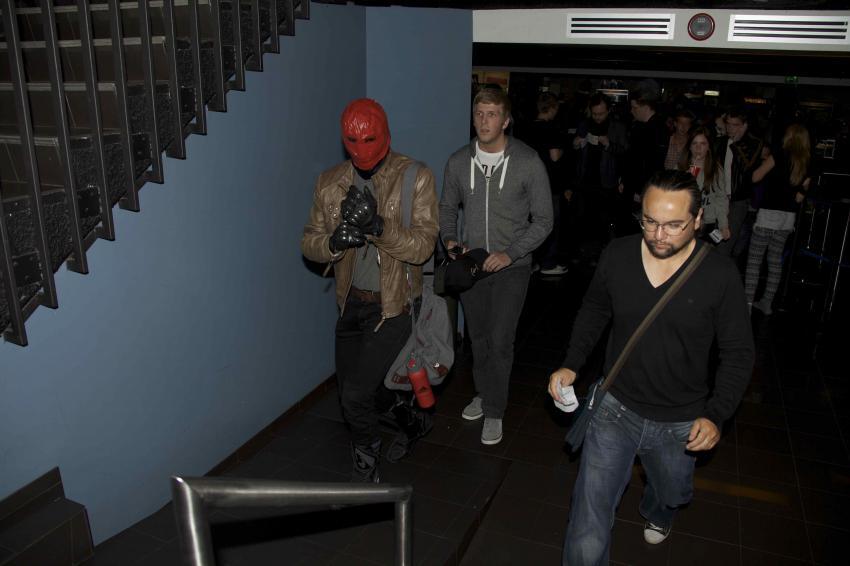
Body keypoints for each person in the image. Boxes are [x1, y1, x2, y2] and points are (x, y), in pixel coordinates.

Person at [549, 169, 754, 565]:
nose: (659, 235)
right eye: (650, 222)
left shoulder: (719, 275)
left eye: (674, 225)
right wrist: (572, 364)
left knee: (673, 493)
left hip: (680, 420)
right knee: (589, 517)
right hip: (615, 407)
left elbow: (738, 352)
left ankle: (659, 509)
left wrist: (716, 415)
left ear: (698, 219)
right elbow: (595, 309)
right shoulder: (618, 254)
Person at [301, 98, 439, 482]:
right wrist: (333, 243)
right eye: (352, 140)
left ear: (385, 134)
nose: (361, 148)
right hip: (350, 305)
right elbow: (309, 242)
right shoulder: (330, 183)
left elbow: (422, 247)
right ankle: (412, 421)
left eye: (369, 139)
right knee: (362, 391)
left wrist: (378, 226)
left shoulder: (415, 177)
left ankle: (366, 467)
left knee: (355, 396)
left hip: (394, 306)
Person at [440, 87, 553, 445]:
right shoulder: (459, 161)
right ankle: (484, 392)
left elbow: (544, 220)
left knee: (501, 339)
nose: (484, 121)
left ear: (505, 120)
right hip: (472, 265)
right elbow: (447, 208)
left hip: (511, 268)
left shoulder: (528, 161)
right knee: (479, 338)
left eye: (491, 114)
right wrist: (450, 240)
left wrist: (511, 253)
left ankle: (494, 410)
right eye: (479, 113)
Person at [744, 123, 812, 315]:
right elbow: (799, 198)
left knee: (754, 260)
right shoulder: (806, 163)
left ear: (788, 138)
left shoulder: (778, 156)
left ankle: (747, 304)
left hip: (768, 214)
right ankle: (767, 303)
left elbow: (755, 177)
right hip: (787, 219)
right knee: (775, 261)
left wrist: (761, 162)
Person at [573, 93, 628, 243]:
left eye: (601, 113)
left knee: (604, 219)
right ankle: (586, 249)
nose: (597, 117)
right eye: (594, 113)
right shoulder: (584, 124)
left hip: (607, 181)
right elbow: (575, 153)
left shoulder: (617, 127)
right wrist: (575, 144)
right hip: (585, 180)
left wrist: (609, 144)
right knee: (585, 219)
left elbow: (625, 152)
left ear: (608, 110)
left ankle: (603, 249)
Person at [525, 92, 569, 275]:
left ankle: (531, 263)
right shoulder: (552, 128)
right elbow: (555, 156)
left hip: (528, 185)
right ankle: (548, 264)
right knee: (550, 225)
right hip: (549, 184)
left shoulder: (527, 127)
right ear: (553, 108)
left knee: (530, 225)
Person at [715, 108, 764, 258]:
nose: (730, 128)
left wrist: (737, 143)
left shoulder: (753, 143)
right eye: (728, 124)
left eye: (735, 125)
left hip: (737, 200)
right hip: (718, 197)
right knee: (713, 239)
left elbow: (747, 167)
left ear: (744, 126)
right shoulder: (721, 141)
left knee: (725, 243)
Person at [679, 126, 729, 243]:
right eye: (694, 143)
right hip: (685, 221)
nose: (698, 148)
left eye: (703, 144)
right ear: (689, 146)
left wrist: (723, 225)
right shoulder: (681, 167)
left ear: (708, 147)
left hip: (708, 222)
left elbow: (721, 199)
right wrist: (688, 176)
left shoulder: (716, 169)